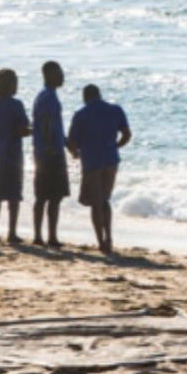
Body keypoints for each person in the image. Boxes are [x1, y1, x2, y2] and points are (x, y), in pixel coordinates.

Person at [67, 84, 131, 256]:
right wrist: (116, 146)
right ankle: (109, 237)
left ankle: (101, 241)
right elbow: (127, 135)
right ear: (99, 95)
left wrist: (75, 153)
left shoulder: (80, 114)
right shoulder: (115, 109)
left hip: (91, 161)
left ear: (85, 97)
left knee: (96, 203)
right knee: (105, 200)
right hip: (111, 160)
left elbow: (72, 142)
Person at [0, 68, 31, 242]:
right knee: (13, 196)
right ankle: (11, 233)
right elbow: (22, 129)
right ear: (11, 84)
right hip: (12, 154)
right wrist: (34, 130)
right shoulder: (15, 105)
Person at [31, 60, 70, 248]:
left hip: (46, 151)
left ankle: (43, 235)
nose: (62, 76)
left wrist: (68, 144)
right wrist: (50, 146)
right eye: (59, 73)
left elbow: (55, 126)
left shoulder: (47, 95)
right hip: (49, 154)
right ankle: (48, 236)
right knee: (51, 196)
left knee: (46, 196)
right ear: (50, 75)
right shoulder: (48, 96)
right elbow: (47, 123)